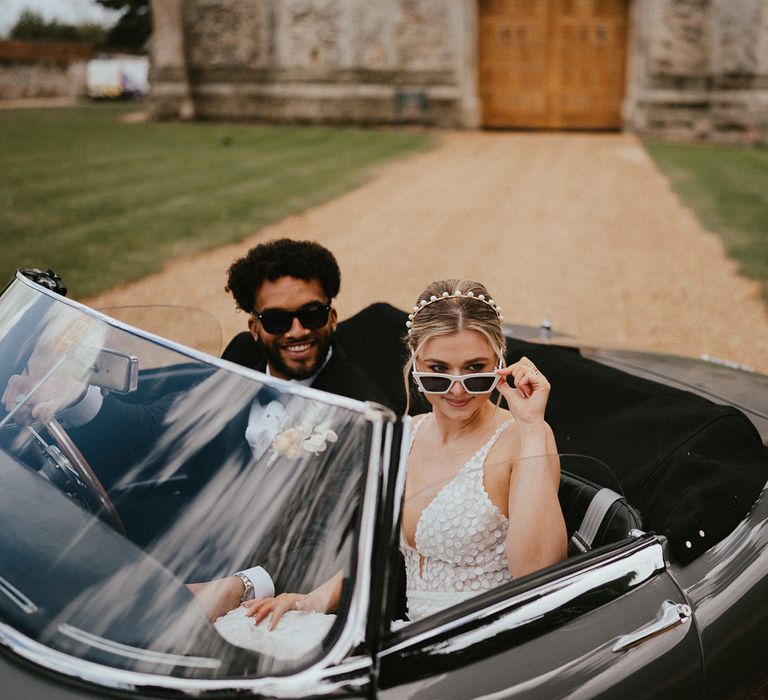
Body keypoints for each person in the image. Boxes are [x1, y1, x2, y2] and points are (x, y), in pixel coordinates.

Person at [242, 278, 567, 628]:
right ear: (415, 361)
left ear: (499, 361)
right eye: (438, 371)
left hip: (492, 640)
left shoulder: (525, 437)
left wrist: (533, 425)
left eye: (475, 370)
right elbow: (377, 547)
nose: (457, 389)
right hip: (413, 636)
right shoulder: (407, 433)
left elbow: (539, 574)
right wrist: (314, 599)